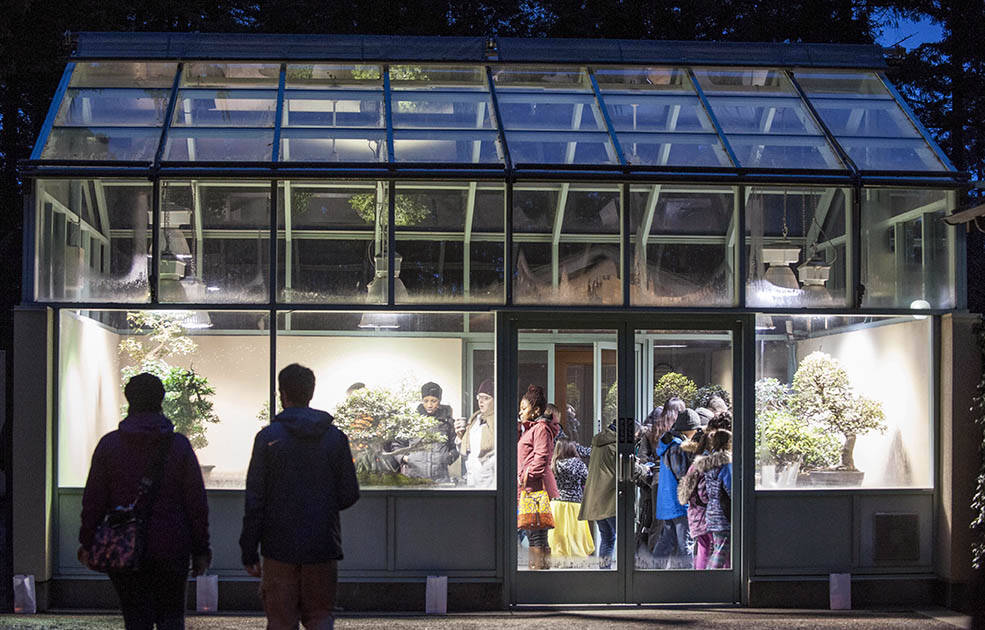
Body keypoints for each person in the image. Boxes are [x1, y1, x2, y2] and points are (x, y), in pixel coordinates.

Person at [79, 372, 211, 630]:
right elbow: (196, 503)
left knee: (135, 617)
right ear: (161, 401)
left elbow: (93, 499)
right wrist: (201, 549)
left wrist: (87, 541)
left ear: (129, 400)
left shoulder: (109, 446)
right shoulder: (179, 446)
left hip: (124, 547)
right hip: (173, 545)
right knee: (171, 616)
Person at [240, 364, 360, 630]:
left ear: (282, 394)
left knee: (281, 621)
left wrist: (249, 548)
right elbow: (350, 493)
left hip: (278, 547)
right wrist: (323, 505)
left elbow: (255, 499)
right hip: (322, 545)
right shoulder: (335, 438)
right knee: (320, 619)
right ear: (311, 393)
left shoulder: (268, 438)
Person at [517, 385, 560, 570]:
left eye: (524, 408)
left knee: (535, 532)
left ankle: (538, 574)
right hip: (530, 487)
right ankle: (541, 573)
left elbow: (541, 458)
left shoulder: (540, 429)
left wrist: (526, 476)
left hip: (535, 488)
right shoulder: (531, 429)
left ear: (535, 410)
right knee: (536, 532)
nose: (520, 412)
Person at [653, 402, 701, 569]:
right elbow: (683, 475)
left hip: (667, 502)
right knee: (685, 544)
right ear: (689, 429)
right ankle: (687, 579)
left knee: (666, 541)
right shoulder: (678, 447)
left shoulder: (668, 444)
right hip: (679, 503)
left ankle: (653, 573)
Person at [679, 429, 732, 569]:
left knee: (710, 548)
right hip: (715, 513)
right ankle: (708, 578)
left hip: (705, 513)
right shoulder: (723, 464)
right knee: (718, 551)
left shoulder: (704, 464)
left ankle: (705, 576)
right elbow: (730, 488)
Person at [389, 382, 457, 482]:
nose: (429, 405)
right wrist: (406, 458)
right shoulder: (412, 421)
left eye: (433, 401)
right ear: (422, 401)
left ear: (439, 401)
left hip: (440, 478)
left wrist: (449, 457)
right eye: (426, 401)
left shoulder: (447, 422)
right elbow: (396, 445)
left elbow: (455, 446)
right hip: (414, 478)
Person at [547, 438, 595, 567]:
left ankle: (558, 558)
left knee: (558, 533)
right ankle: (575, 558)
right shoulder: (578, 464)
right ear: (571, 448)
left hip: (556, 503)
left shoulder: (553, 463)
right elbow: (587, 480)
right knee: (576, 533)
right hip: (575, 503)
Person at [579, 419, 617, 569]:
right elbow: (626, 468)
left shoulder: (598, 443)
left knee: (607, 536)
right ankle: (631, 573)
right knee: (624, 536)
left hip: (596, 499)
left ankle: (605, 572)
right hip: (610, 499)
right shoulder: (615, 446)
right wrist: (643, 469)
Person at [455, 379, 495, 488]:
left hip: (490, 479)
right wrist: (460, 436)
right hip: (473, 477)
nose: (481, 402)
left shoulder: (497, 421)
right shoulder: (474, 419)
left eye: (486, 398)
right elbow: (467, 450)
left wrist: (487, 467)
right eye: (479, 397)